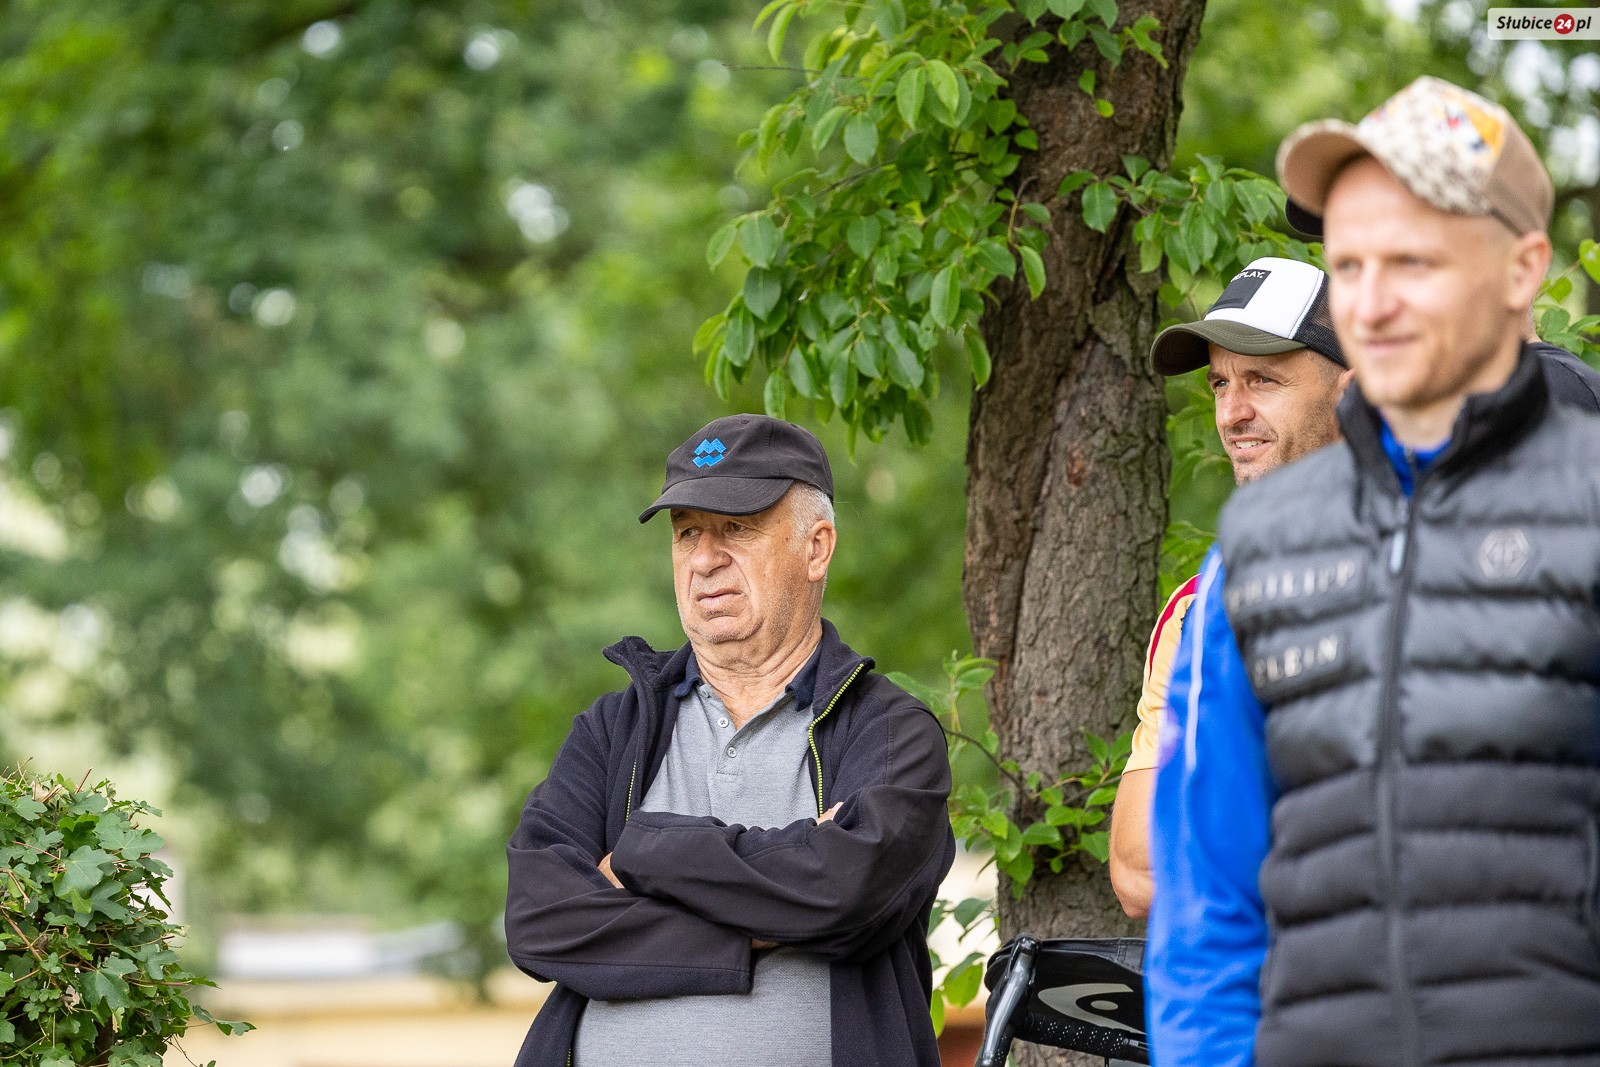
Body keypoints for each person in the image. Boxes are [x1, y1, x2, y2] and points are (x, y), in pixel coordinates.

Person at [1146, 75, 1600, 1067]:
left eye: (1413, 260)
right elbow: (1205, 912)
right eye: (1348, 264)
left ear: (1522, 269)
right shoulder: (1257, 545)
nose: (1373, 301)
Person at [503, 413, 956, 1067]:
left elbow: (848, 892)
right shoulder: (612, 729)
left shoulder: (888, 731)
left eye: (736, 528)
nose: (704, 559)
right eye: (687, 532)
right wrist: (754, 929)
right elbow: (538, 920)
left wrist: (641, 852)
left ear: (817, 548)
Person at [1109, 257, 1354, 917]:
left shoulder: (1431, 562)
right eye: (1221, 383)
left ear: (1351, 391)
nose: (1233, 413)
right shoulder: (1199, 607)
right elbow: (1137, 868)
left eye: (1263, 380)